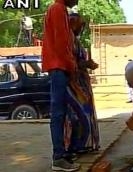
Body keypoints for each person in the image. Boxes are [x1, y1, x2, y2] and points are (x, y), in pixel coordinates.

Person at [41, 0, 80, 171]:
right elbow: (62, 43)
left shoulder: (59, 9)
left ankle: (62, 153)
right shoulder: (57, 9)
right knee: (58, 113)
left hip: (60, 66)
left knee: (62, 112)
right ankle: (58, 158)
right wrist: (72, 67)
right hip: (59, 67)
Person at [64, 12, 100, 158]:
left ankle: (84, 145)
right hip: (75, 85)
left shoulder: (76, 40)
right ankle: (75, 146)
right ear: (72, 23)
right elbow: (70, 62)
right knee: (78, 116)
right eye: (81, 24)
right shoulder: (69, 40)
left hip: (82, 84)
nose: (82, 27)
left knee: (86, 114)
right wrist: (87, 64)